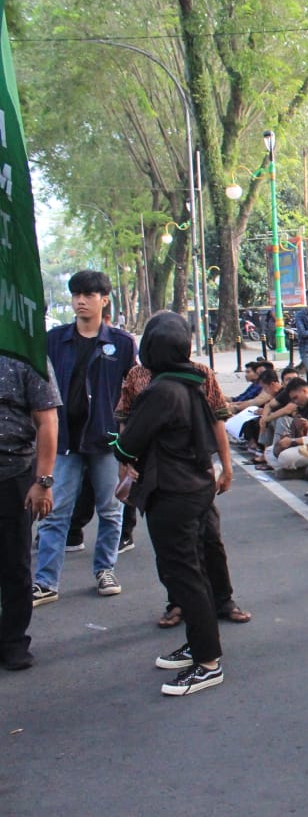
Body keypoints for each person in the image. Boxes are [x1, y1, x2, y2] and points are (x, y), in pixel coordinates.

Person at [112, 312, 230, 696]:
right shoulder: (191, 381)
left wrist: (116, 450)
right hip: (195, 485)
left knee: (185, 575)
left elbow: (128, 444)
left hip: (173, 492)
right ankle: (199, 645)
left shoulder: (162, 390)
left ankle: (208, 662)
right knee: (192, 568)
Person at [114, 355, 249, 629]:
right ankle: (177, 602)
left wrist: (226, 466)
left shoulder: (200, 373)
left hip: (196, 469)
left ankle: (223, 599)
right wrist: (125, 463)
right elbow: (125, 420)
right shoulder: (137, 376)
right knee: (169, 546)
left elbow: (218, 419)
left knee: (210, 536)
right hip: (154, 472)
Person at [32, 270, 136, 608]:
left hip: (105, 442)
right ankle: (45, 580)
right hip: (63, 439)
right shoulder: (54, 340)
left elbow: (130, 394)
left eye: (88, 295)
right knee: (56, 510)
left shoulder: (121, 344)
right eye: (76, 294)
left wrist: (127, 445)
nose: (80, 301)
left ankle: (105, 569)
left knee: (111, 509)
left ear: (104, 300)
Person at [0, 356, 59, 671]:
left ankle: (12, 642)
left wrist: (43, 481)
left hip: (14, 475)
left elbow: (47, 420)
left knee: (14, 562)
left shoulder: (26, 355)